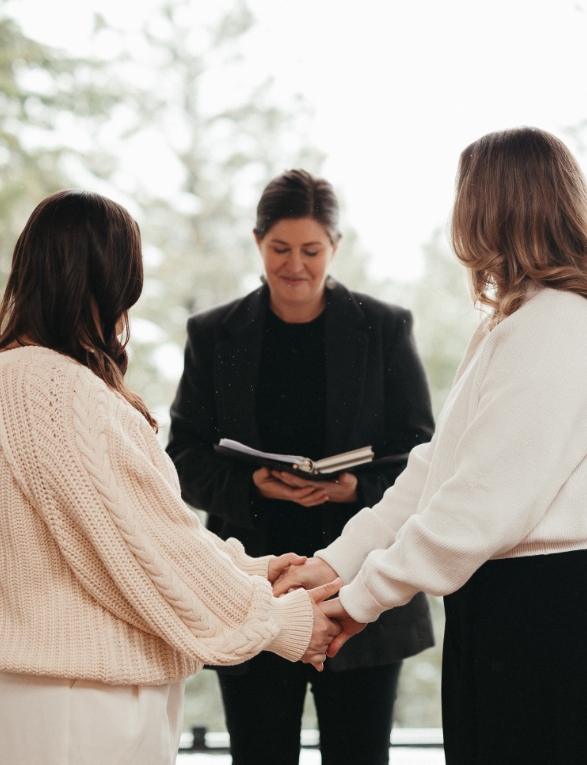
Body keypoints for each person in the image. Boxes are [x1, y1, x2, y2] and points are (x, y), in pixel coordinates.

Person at [274, 129, 587, 764]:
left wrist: (360, 601)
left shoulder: (559, 324)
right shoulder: (517, 321)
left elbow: (480, 505)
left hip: (551, 621)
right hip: (504, 615)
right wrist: (336, 564)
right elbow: (435, 473)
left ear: (494, 206)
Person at [0, 189, 343, 765]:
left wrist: (257, 572)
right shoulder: (57, 390)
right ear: (109, 277)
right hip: (88, 698)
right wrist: (281, 622)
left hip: (62, 686)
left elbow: (132, 531)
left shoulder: (8, 372)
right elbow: (146, 551)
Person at [166, 169, 435, 765]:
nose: (295, 266)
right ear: (257, 241)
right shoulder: (213, 334)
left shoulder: (386, 329)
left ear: (335, 246)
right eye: (279, 249)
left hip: (361, 585)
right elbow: (181, 458)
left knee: (359, 756)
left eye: (311, 250)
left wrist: (353, 489)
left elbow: (422, 457)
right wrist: (254, 487)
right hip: (255, 588)